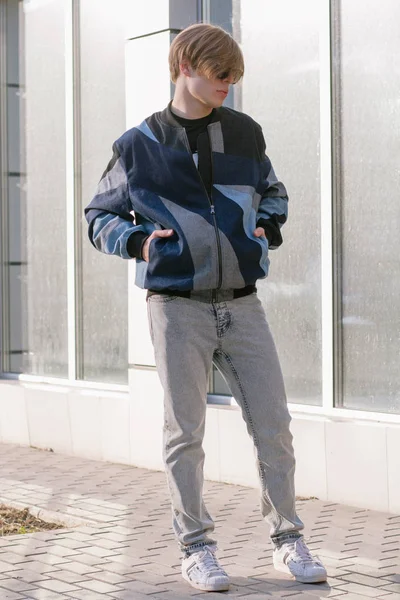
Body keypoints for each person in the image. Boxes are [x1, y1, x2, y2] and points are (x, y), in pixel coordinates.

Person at [85, 23, 327, 593]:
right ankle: (197, 549)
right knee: (184, 436)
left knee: (274, 427)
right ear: (186, 65)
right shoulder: (139, 143)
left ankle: (288, 540)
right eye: (221, 75)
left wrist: (265, 227)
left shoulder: (244, 133)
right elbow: (99, 216)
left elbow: (274, 191)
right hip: (176, 307)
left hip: (243, 304)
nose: (228, 86)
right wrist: (140, 242)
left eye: (234, 77)